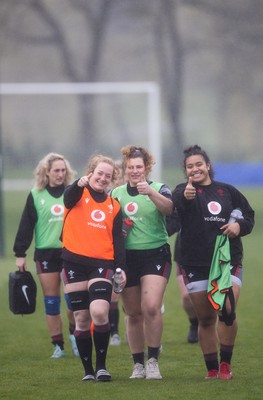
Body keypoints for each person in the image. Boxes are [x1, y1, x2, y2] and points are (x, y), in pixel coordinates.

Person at [172, 144, 255, 380]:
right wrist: (184, 196)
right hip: (195, 263)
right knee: (206, 318)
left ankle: (226, 365)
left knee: (227, 310)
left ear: (208, 166)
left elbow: (248, 215)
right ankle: (211, 368)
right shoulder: (183, 192)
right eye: (190, 166)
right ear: (186, 171)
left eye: (199, 164)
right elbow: (175, 203)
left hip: (227, 260)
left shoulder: (227, 191)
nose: (195, 169)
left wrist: (239, 226)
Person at [61, 154, 127, 382]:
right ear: (91, 172)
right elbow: (67, 200)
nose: (103, 178)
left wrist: (121, 268)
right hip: (73, 264)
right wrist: (77, 183)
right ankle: (88, 371)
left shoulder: (114, 206)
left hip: (102, 265)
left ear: (111, 180)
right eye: (99, 173)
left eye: (107, 176)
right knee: (81, 319)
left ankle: (101, 366)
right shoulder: (77, 192)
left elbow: (118, 241)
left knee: (99, 312)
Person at [111, 145, 173, 380]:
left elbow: (169, 210)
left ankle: (153, 360)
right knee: (133, 312)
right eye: (130, 167)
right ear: (125, 169)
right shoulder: (116, 194)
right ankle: (138, 364)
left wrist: (151, 194)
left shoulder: (159, 188)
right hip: (127, 259)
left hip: (155, 254)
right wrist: (120, 235)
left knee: (150, 307)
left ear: (146, 168)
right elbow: (110, 227)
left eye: (139, 167)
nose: (135, 171)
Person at [13, 152, 79, 358]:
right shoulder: (36, 195)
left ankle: (74, 337)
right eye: (56, 171)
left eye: (63, 170)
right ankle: (58, 346)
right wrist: (20, 253)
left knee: (72, 301)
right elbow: (26, 225)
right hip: (45, 255)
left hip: (70, 253)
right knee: (51, 301)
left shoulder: (72, 192)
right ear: (47, 172)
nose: (60, 174)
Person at [166, 210, 199, 343]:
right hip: (185, 253)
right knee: (187, 296)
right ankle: (194, 322)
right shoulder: (184, 194)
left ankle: (206, 325)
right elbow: (172, 220)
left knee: (210, 296)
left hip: (210, 252)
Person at [108, 160, 126, 346]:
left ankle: (134, 329)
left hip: (136, 250)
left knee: (134, 298)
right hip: (112, 251)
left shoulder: (135, 192)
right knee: (113, 294)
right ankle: (114, 333)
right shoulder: (108, 196)